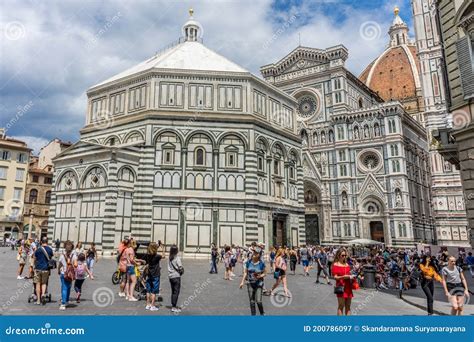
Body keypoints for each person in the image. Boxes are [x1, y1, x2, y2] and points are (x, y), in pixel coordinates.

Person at [240, 247, 266, 316]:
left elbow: (265, 273)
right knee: (252, 301)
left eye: (256, 252)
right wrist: (242, 282)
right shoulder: (248, 262)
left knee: (259, 301)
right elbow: (245, 272)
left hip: (259, 283)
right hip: (250, 283)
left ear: (259, 255)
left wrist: (260, 276)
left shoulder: (261, 263)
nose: (253, 253)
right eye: (253, 252)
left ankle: (262, 313)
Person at [332, 247, 354, 316]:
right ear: (338, 255)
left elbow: (349, 274)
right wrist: (342, 277)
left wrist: (352, 277)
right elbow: (335, 277)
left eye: (345, 255)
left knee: (348, 306)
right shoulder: (335, 265)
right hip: (341, 287)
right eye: (342, 255)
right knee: (341, 306)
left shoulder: (347, 265)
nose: (344, 257)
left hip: (348, 287)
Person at [143, 242, 164, 311]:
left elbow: (152, 250)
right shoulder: (157, 256)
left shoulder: (148, 255)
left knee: (148, 290)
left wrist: (156, 246)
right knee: (154, 291)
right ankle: (152, 305)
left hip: (149, 274)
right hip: (156, 275)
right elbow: (163, 256)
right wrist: (163, 248)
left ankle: (147, 304)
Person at [33, 236, 54, 305]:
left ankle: (38, 300)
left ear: (41, 242)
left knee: (38, 284)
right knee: (44, 283)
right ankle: (43, 294)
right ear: (47, 242)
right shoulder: (50, 249)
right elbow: (51, 258)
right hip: (46, 269)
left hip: (38, 268)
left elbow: (35, 259)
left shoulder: (38, 249)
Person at [58, 240, 77, 310]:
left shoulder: (62, 255)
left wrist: (58, 270)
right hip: (70, 274)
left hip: (63, 273)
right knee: (68, 287)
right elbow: (75, 265)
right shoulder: (74, 255)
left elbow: (60, 264)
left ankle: (63, 304)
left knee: (64, 288)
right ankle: (66, 300)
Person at [168, 244, 183, 313]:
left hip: (170, 276)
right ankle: (174, 307)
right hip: (176, 276)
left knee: (173, 291)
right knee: (176, 292)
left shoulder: (170, 257)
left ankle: (173, 305)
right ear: (176, 251)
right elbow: (180, 267)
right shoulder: (177, 258)